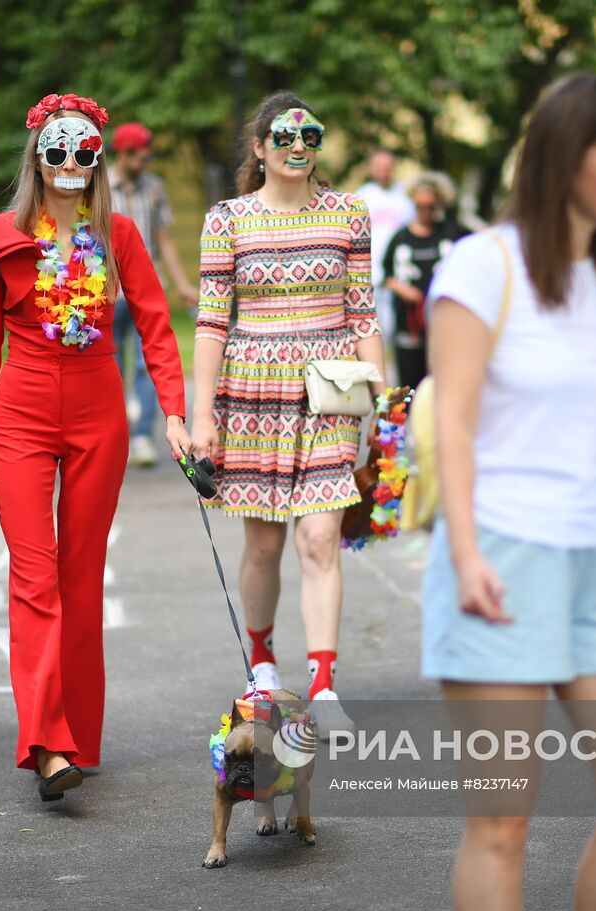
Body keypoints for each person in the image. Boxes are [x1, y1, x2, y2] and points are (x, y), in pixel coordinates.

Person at [422, 75, 596, 911]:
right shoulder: (482, 264)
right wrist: (464, 555)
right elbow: (451, 423)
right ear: (569, 160)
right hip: (504, 553)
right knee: (502, 823)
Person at [0, 93, 191, 801]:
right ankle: (46, 743)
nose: (69, 163)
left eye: (83, 151)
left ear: (98, 160)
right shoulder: (4, 238)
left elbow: (155, 326)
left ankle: (79, 740)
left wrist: (175, 416)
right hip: (23, 417)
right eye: (56, 151)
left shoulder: (118, 234)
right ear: (37, 155)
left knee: (81, 580)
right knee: (34, 579)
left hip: (98, 415)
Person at [192, 91, 386, 734]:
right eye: (283, 136)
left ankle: (324, 682)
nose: (298, 146)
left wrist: (381, 395)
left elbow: (363, 312)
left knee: (320, 536)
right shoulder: (227, 221)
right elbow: (211, 324)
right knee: (266, 541)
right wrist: (201, 417)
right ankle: (264, 658)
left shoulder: (350, 214)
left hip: (330, 392)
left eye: (310, 135)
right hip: (249, 397)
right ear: (259, 147)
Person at [108, 120, 199, 467]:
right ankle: (118, 435)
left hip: (146, 290)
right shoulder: (99, 186)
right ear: (125, 153)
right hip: (107, 291)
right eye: (140, 155)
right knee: (113, 367)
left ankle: (143, 435)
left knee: (148, 365)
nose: (145, 162)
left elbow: (165, 241)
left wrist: (181, 284)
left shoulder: (155, 188)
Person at [381, 172, 468, 388]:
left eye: (431, 206)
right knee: (407, 386)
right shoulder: (401, 237)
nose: (425, 212)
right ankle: (403, 421)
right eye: (420, 206)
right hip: (409, 323)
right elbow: (387, 275)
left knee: (441, 384)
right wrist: (404, 291)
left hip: (443, 323)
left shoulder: (451, 233)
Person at [355, 148, 414, 341]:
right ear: (370, 168)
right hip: (366, 275)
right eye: (379, 166)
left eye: (387, 167)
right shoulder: (360, 197)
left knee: (393, 332)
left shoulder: (404, 198)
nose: (383, 171)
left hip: (396, 276)